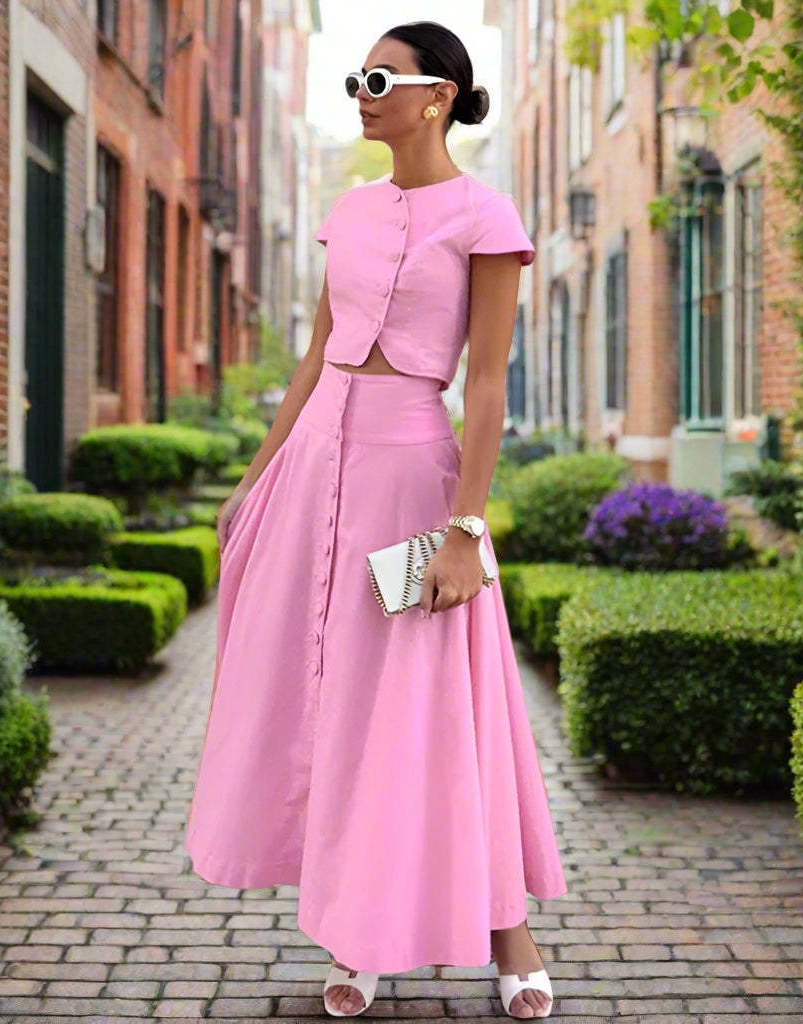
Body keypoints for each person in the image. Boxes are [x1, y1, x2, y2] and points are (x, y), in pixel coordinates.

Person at [184, 20, 567, 1020]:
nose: (363, 91)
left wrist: (465, 530)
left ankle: (507, 931)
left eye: (381, 77)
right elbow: (314, 360)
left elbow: (484, 386)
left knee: (432, 711)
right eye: (357, 77)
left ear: (436, 94)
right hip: (315, 475)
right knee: (330, 705)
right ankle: (357, 927)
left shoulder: (486, 216)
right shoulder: (347, 211)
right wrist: (255, 475)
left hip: (413, 482)